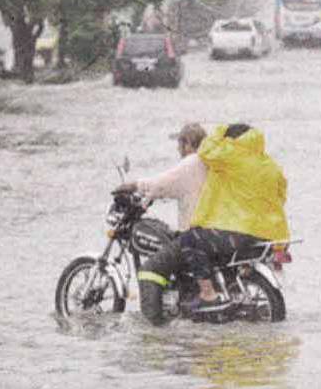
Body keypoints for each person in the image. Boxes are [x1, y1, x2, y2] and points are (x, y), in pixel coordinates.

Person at [180, 123, 290, 312]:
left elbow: (205, 151)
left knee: (190, 238)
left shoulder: (232, 155)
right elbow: (281, 196)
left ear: (232, 140)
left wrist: (220, 130)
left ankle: (207, 294)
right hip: (269, 235)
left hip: (242, 232)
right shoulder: (270, 164)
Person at [115, 123, 207, 231]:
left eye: (179, 144)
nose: (177, 149)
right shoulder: (208, 161)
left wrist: (134, 185)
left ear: (187, 144)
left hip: (193, 233)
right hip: (209, 230)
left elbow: (161, 183)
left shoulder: (191, 163)